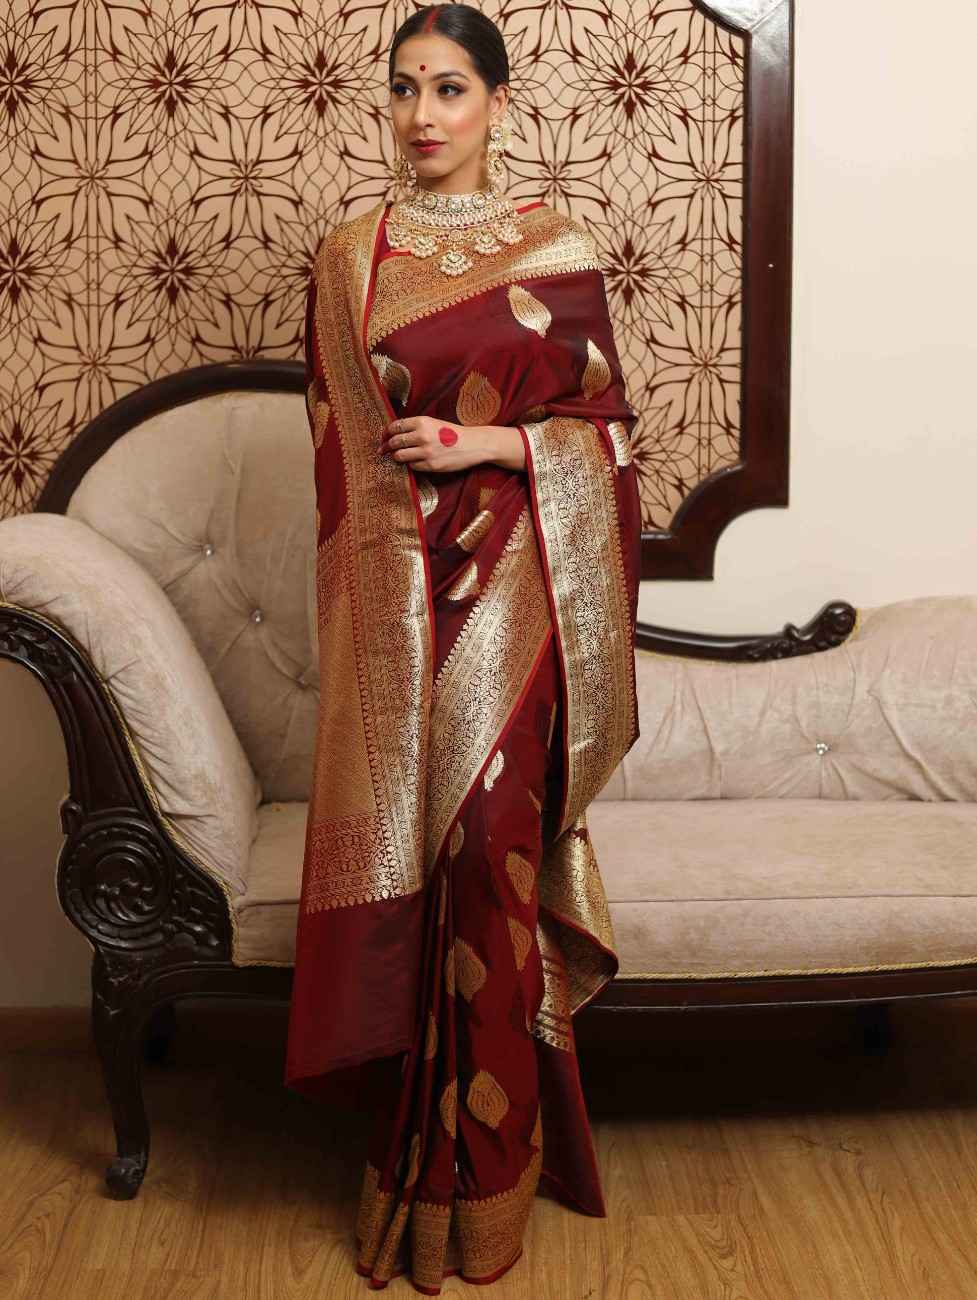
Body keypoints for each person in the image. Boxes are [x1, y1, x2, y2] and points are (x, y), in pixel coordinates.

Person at [284, 3, 642, 1292]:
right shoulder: (349, 257)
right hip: (405, 606)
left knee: (491, 868)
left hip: (523, 605)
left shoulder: (556, 246)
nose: (421, 116)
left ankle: (487, 1180)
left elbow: (610, 439)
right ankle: (412, 1170)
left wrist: (488, 447)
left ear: (496, 100)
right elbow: (337, 458)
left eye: (448, 90)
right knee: (431, 879)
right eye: (403, 90)